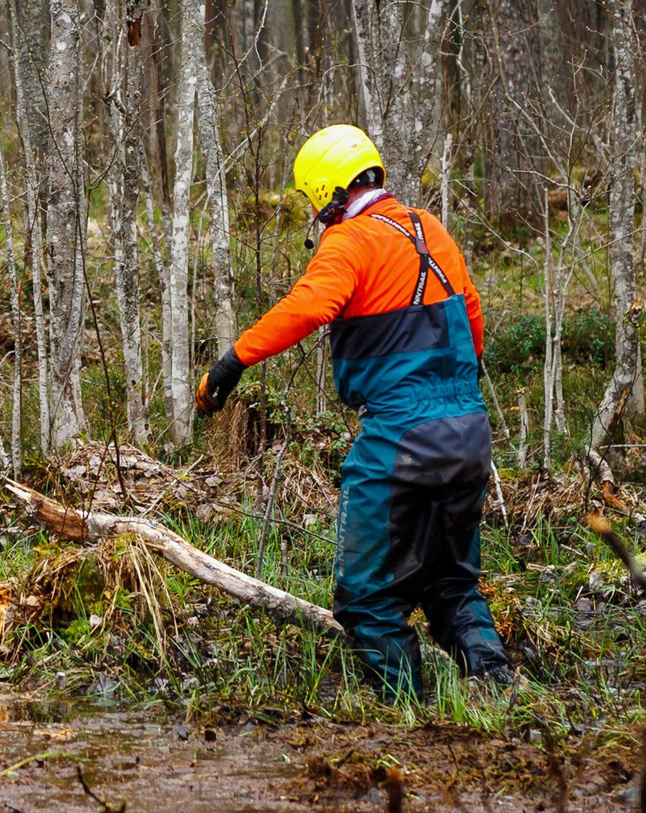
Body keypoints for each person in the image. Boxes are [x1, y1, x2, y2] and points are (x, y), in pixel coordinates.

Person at [194, 124, 511, 699]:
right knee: (452, 585)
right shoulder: (429, 228)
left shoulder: (349, 242)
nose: (314, 212)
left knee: (365, 598)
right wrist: (453, 394)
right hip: (469, 431)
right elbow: (472, 314)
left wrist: (231, 363)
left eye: (312, 199)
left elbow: (307, 307)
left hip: (400, 437)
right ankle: (499, 692)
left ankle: (407, 712)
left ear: (326, 190)